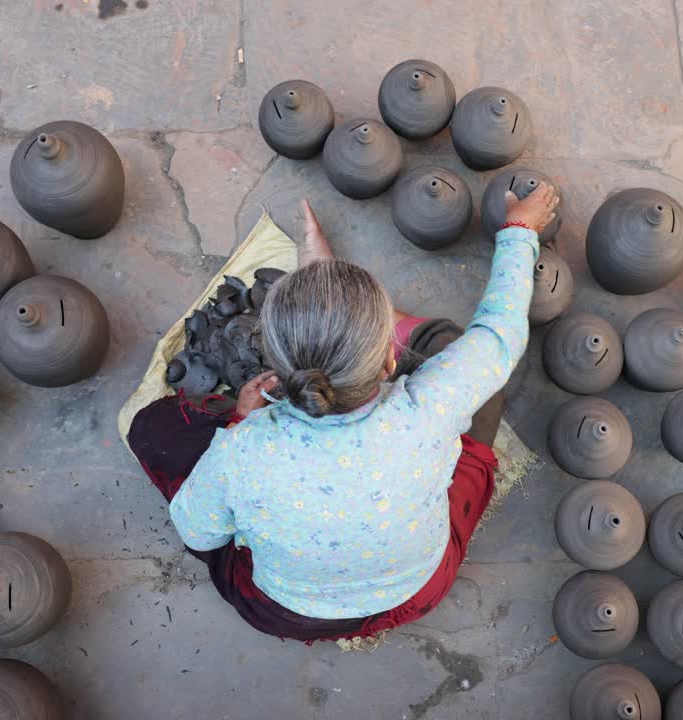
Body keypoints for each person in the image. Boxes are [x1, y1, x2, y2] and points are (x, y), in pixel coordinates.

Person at [165, 184, 559, 642]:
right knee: (466, 363)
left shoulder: (244, 448)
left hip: (286, 611)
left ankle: (332, 297)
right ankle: (360, 310)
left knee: (156, 429)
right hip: (417, 591)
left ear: (272, 365)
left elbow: (197, 534)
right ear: (391, 361)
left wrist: (237, 421)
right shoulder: (430, 406)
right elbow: (500, 334)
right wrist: (518, 230)